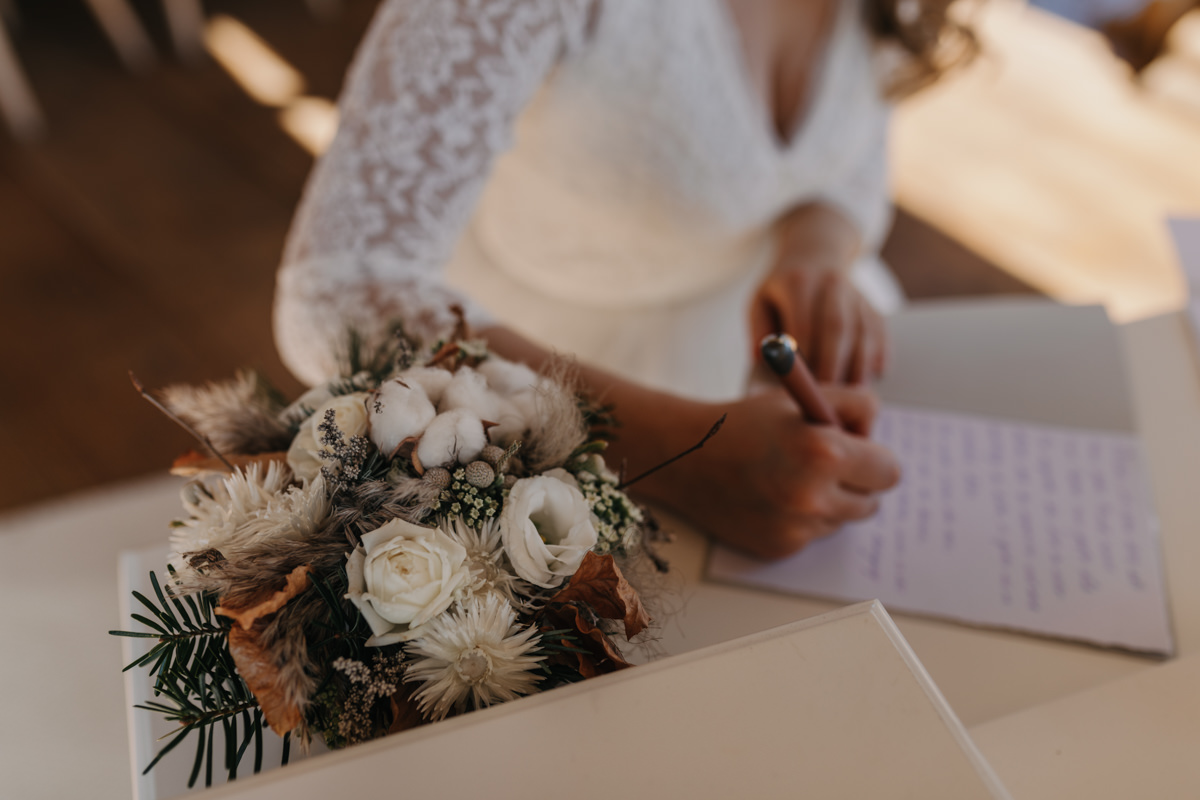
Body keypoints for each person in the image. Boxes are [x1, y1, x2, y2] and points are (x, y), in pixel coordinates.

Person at [275, 0, 974, 559]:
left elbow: (848, 157)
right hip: (540, 415)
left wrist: (813, 252)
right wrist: (681, 454)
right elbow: (342, 285)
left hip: (774, 386)